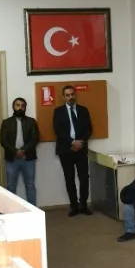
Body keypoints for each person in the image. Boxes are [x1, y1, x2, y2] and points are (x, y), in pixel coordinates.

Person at [53, 85, 93, 215]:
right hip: (66, 149)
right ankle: (74, 206)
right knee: (69, 178)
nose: (70, 97)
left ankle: (83, 205)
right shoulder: (58, 111)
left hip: (81, 149)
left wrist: (80, 143)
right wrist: (72, 142)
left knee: (84, 178)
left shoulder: (83, 110)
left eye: (72, 94)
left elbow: (89, 129)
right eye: (68, 95)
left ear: (75, 95)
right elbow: (58, 130)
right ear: (64, 97)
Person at [0, 97, 39, 205]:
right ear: (13, 107)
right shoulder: (6, 122)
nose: (20, 108)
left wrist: (23, 150)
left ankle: (33, 210)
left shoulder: (31, 121)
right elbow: (3, 141)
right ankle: (11, 210)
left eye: (22, 106)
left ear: (25, 107)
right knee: (11, 186)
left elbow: (35, 138)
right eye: (17, 105)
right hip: (12, 159)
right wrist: (15, 151)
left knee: (30, 185)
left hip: (28, 159)